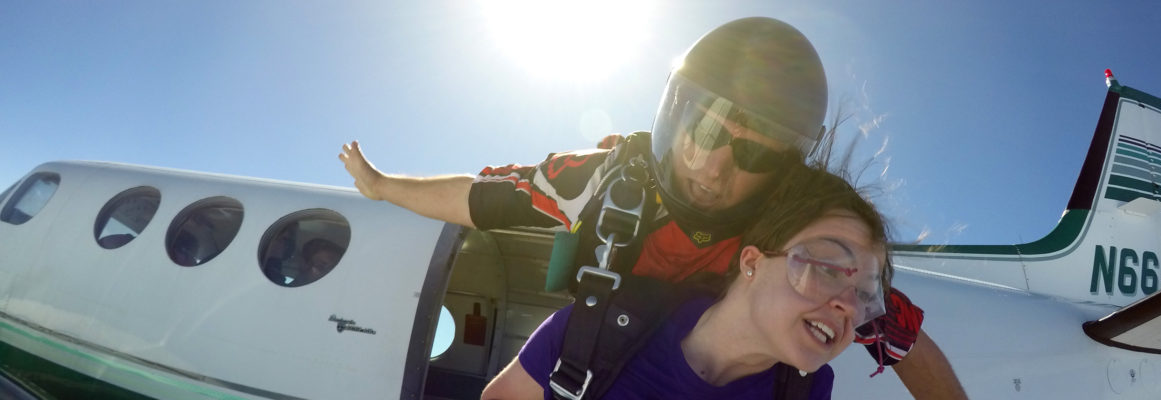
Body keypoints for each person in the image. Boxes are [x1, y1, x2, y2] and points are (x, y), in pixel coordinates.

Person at [340, 17, 965, 398]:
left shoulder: (794, 228)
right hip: (593, 357)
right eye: (709, 129)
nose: (713, 168)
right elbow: (481, 200)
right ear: (674, 112)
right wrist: (383, 187)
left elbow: (895, 332)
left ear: (784, 168)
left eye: (754, 155)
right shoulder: (608, 177)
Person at [482, 163, 890, 399]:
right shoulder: (595, 329)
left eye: (867, 295)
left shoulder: (806, 391)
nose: (851, 308)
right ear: (751, 262)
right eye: (828, 268)